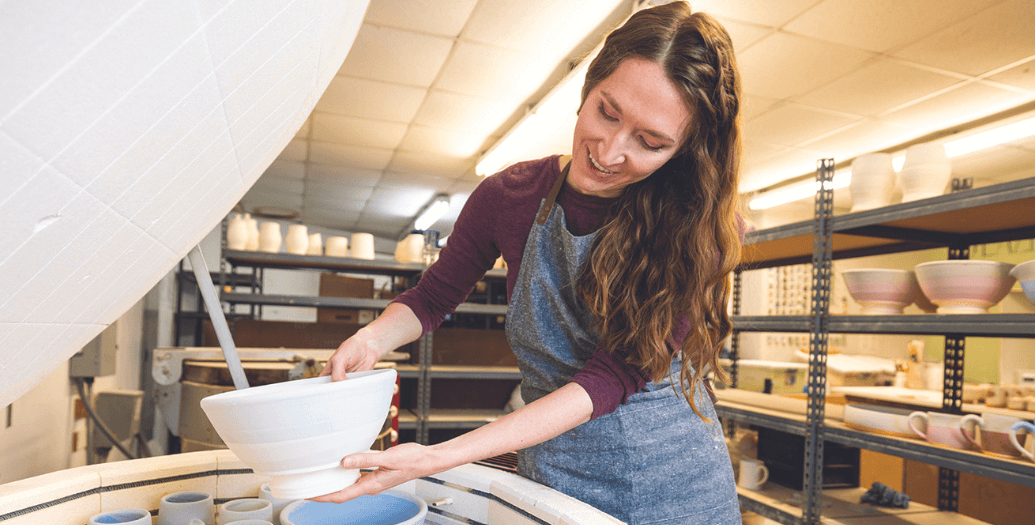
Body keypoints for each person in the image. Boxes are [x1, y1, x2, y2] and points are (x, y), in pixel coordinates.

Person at [314, 2, 744, 522]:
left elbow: (608, 379)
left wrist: (436, 457)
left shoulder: (694, 230)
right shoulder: (509, 197)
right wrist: (370, 339)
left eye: (649, 142)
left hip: (676, 488)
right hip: (557, 470)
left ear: (683, 152)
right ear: (588, 87)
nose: (609, 152)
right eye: (607, 112)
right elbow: (431, 298)